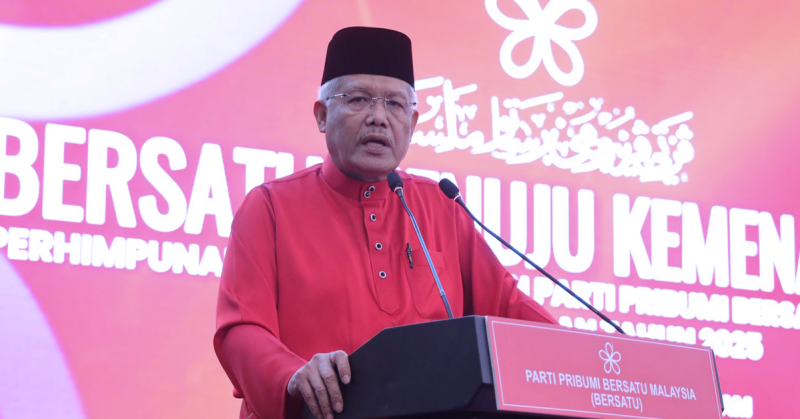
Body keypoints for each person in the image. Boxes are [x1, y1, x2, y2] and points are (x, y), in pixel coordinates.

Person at [213, 26, 556, 419]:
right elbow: (240, 329)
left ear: (412, 121)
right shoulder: (270, 207)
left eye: (395, 104)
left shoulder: (440, 207)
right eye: (359, 99)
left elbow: (510, 309)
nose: (378, 118)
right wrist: (293, 375)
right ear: (322, 115)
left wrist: (585, 360)